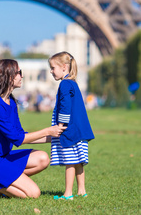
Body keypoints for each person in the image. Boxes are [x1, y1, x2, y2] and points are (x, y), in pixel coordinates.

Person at [0, 59, 66, 199]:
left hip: (2, 157)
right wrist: (48, 131)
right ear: (8, 76)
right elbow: (18, 139)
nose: (22, 76)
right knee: (33, 194)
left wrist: (55, 138)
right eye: (19, 73)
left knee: (43, 158)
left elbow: (21, 135)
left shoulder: (11, 101)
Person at [48, 52, 95, 200]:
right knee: (79, 161)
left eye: (52, 67)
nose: (50, 71)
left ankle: (68, 194)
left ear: (63, 67)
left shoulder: (65, 84)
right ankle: (81, 190)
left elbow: (65, 106)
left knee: (70, 162)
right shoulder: (73, 83)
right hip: (80, 130)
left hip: (70, 130)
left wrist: (60, 125)